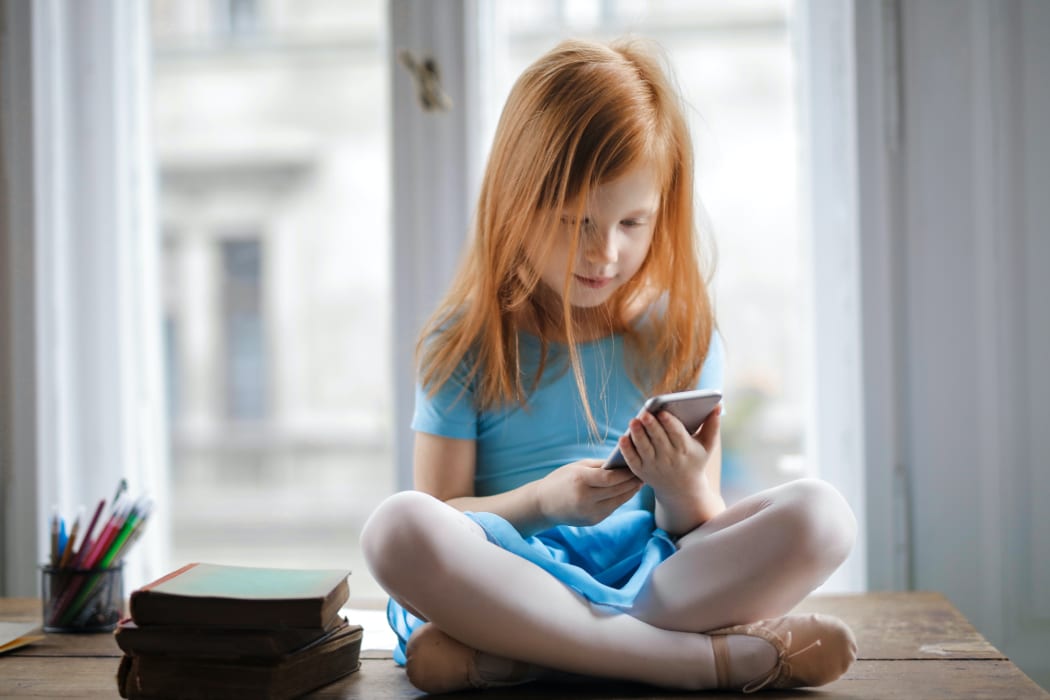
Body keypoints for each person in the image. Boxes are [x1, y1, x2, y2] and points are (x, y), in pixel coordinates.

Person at [362, 37, 857, 694]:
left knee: (823, 515)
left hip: (651, 578)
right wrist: (545, 502)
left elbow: (694, 532)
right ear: (516, 205)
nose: (604, 252)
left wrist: (682, 489)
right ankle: (699, 663)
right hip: (513, 573)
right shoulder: (467, 342)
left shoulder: (681, 334)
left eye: (632, 221)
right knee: (396, 528)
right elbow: (443, 513)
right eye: (575, 221)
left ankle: (528, 656)